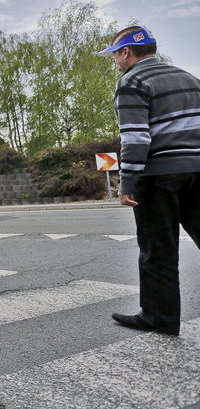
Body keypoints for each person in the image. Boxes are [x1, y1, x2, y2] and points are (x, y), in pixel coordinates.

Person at [98, 26, 200, 336]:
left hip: (158, 175)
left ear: (126, 52)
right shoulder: (189, 78)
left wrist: (127, 182)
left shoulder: (132, 82)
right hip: (197, 169)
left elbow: (136, 137)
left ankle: (160, 317)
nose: (114, 60)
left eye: (115, 54)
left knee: (158, 249)